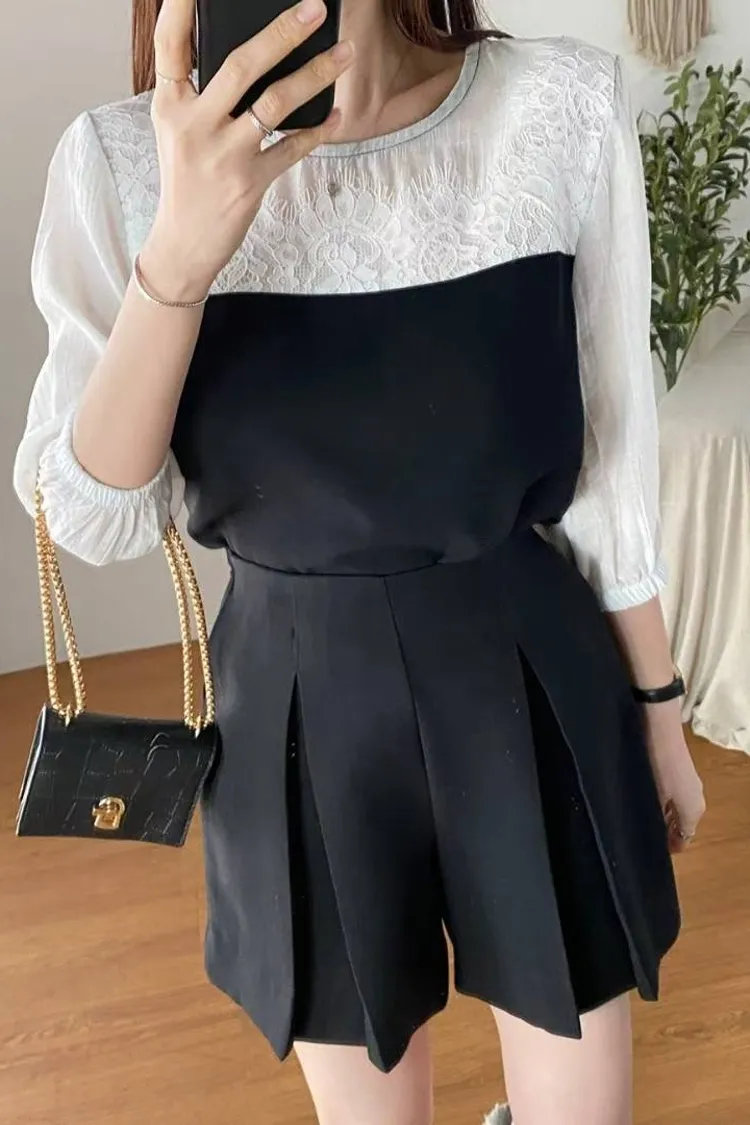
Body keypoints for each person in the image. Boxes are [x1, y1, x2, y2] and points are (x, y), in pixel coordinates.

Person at [14, 0, 706, 1122]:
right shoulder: (121, 160)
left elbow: (613, 460)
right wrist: (179, 256)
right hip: (295, 711)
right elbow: (93, 516)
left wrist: (659, 706)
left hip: (532, 680)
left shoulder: (556, 108)